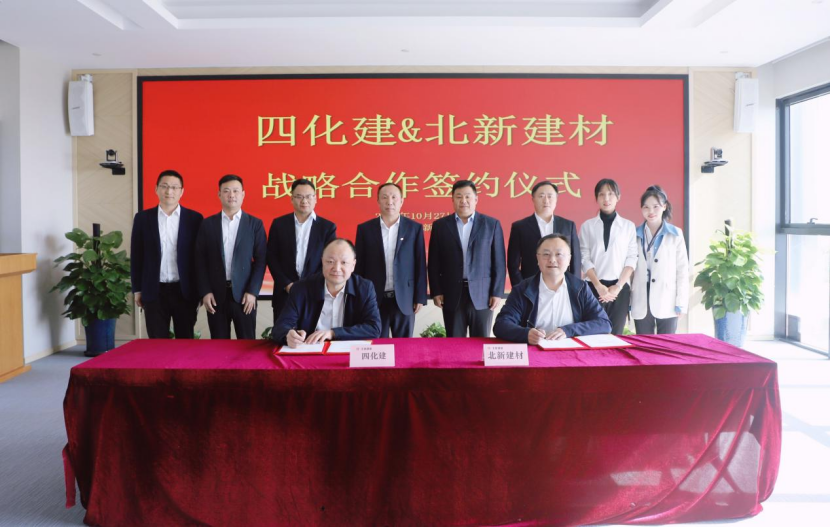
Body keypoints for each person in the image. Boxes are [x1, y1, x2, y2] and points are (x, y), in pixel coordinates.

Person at [494, 234, 611, 344]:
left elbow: (603, 323)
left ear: (569, 259)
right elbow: (501, 325)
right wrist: (526, 334)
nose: (552, 260)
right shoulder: (522, 289)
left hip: (571, 352)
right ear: (537, 258)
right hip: (535, 352)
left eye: (559, 254)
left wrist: (568, 331)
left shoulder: (580, 288)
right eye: (546, 254)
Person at [428, 180, 506, 338]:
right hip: (451, 294)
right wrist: (436, 291)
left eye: (467, 196)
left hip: (483, 295)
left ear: (476, 199)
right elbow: (434, 263)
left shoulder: (491, 224)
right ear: (452, 199)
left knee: (481, 342)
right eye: (459, 197)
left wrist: (497, 292)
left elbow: (499, 262)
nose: (463, 201)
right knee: (454, 342)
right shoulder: (440, 226)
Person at [130, 170, 203, 338]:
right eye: (164, 186)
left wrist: (200, 290)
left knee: (185, 339)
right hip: (154, 289)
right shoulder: (142, 218)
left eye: (174, 187)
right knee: (157, 341)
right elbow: (137, 256)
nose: (169, 191)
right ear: (156, 189)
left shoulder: (194, 219)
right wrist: (137, 290)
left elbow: (200, 259)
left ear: (182, 191)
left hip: (184, 290)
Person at [272, 239, 382, 347]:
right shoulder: (301, 288)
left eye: (344, 262)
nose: (337, 268)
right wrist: (288, 335)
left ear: (353, 265)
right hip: (311, 350)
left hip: (347, 352)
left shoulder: (364, 288)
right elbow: (280, 327)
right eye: (330, 262)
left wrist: (333, 333)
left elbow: (374, 328)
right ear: (322, 262)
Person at [195, 174, 267, 339]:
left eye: (236, 191)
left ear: (243, 194)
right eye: (226, 191)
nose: (231, 195)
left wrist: (252, 292)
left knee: (247, 344)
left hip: (245, 297)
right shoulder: (207, 224)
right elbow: (199, 261)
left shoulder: (255, 224)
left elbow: (261, 261)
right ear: (219, 194)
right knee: (219, 345)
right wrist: (205, 291)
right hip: (215, 296)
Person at [354, 183, 427, 338]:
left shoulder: (414, 228)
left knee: (404, 345)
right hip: (374, 299)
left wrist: (420, 297)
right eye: (385, 197)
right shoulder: (365, 229)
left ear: (402, 201)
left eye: (394, 197)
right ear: (378, 201)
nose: (390, 202)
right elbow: (359, 266)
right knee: (377, 343)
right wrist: (359, 296)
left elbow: (420, 263)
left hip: (405, 297)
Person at [266, 178, 336, 324]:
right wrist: (286, 284)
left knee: (313, 335)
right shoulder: (279, 224)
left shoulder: (327, 227)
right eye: (299, 196)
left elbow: (329, 260)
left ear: (315, 199)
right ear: (292, 199)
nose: (304, 201)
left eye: (309, 196)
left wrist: (310, 285)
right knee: (283, 334)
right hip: (284, 293)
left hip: (314, 292)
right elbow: (272, 257)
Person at [579, 178, 638, 335]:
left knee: (616, 335)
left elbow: (632, 258)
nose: (606, 198)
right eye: (601, 194)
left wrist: (618, 287)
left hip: (619, 289)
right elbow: (584, 258)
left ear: (618, 197)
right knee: (592, 335)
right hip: (593, 288)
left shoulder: (628, 226)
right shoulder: (587, 226)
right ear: (596, 198)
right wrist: (598, 286)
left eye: (611, 194)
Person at [631, 185, 689, 334]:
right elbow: (629, 268)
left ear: (664, 206)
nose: (651, 211)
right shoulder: (634, 234)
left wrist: (681, 302)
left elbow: (682, 270)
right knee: (644, 343)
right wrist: (629, 301)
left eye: (655, 206)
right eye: (646, 207)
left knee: (666, 343)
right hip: (641, 296)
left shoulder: (675, 234)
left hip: (667, 297)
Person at [507, 181, 581, 287]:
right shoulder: (519, 227)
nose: (546, 200)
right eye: (541, 196)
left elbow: (575, 261)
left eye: (550, 196)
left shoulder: (568, 226)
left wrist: (574, 287)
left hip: (562, 286)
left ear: (556, 199)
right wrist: (521, 288)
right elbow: (513, 264)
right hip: (530, 287)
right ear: (533, 199)